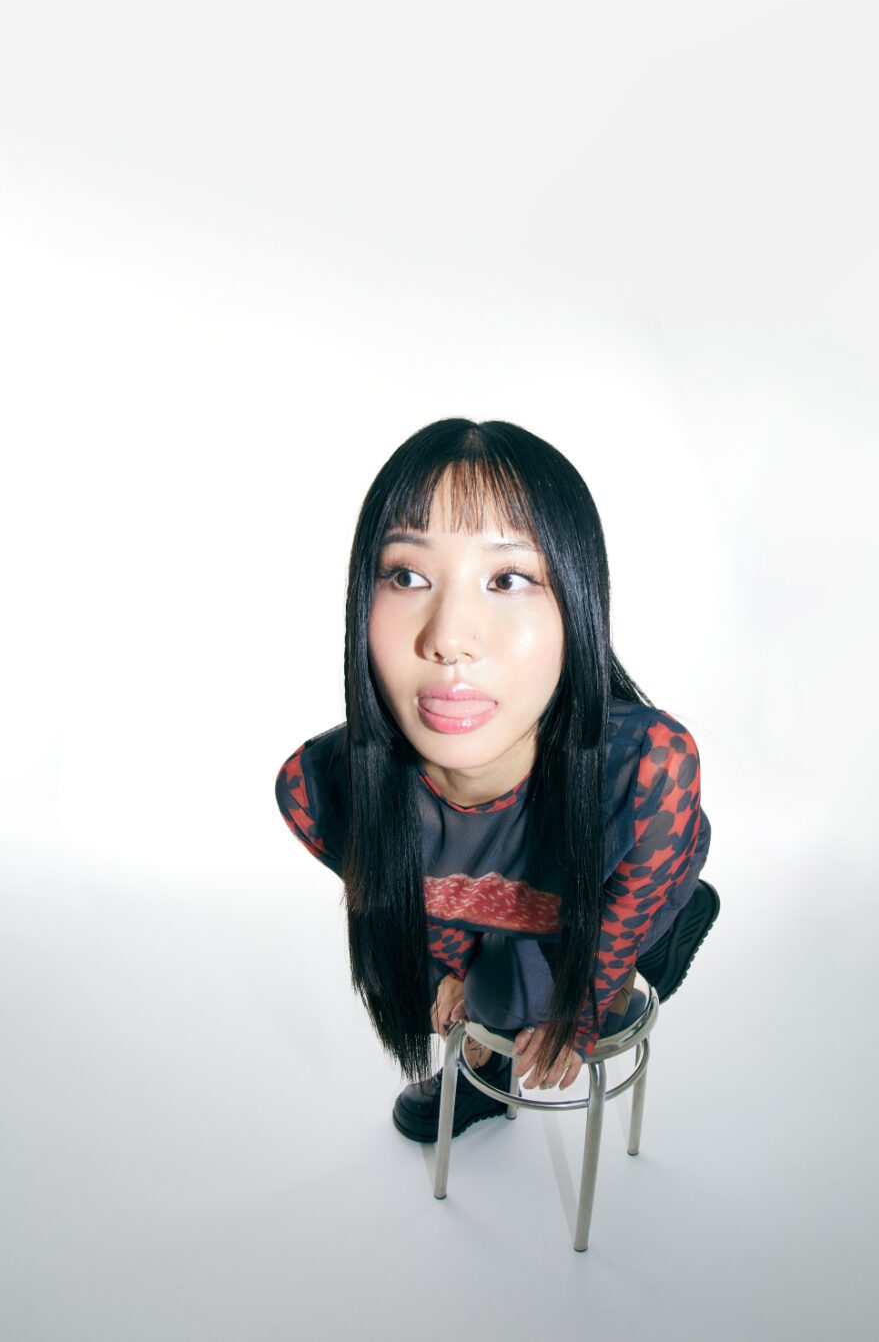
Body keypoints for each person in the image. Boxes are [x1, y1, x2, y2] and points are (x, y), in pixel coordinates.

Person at [275, 417, 718, 1143]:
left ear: (577, 606)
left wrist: (579, 1012)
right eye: (407, 575)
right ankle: (496, 1037)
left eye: (509, 579)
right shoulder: (317, 788)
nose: (449, 637)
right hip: (504, 921)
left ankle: (672, 927)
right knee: (489, 992)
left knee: (538, 986)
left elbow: (595, 972)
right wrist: (450, 976)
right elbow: (406, 906)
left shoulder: (648, 768)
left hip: (621, 890)